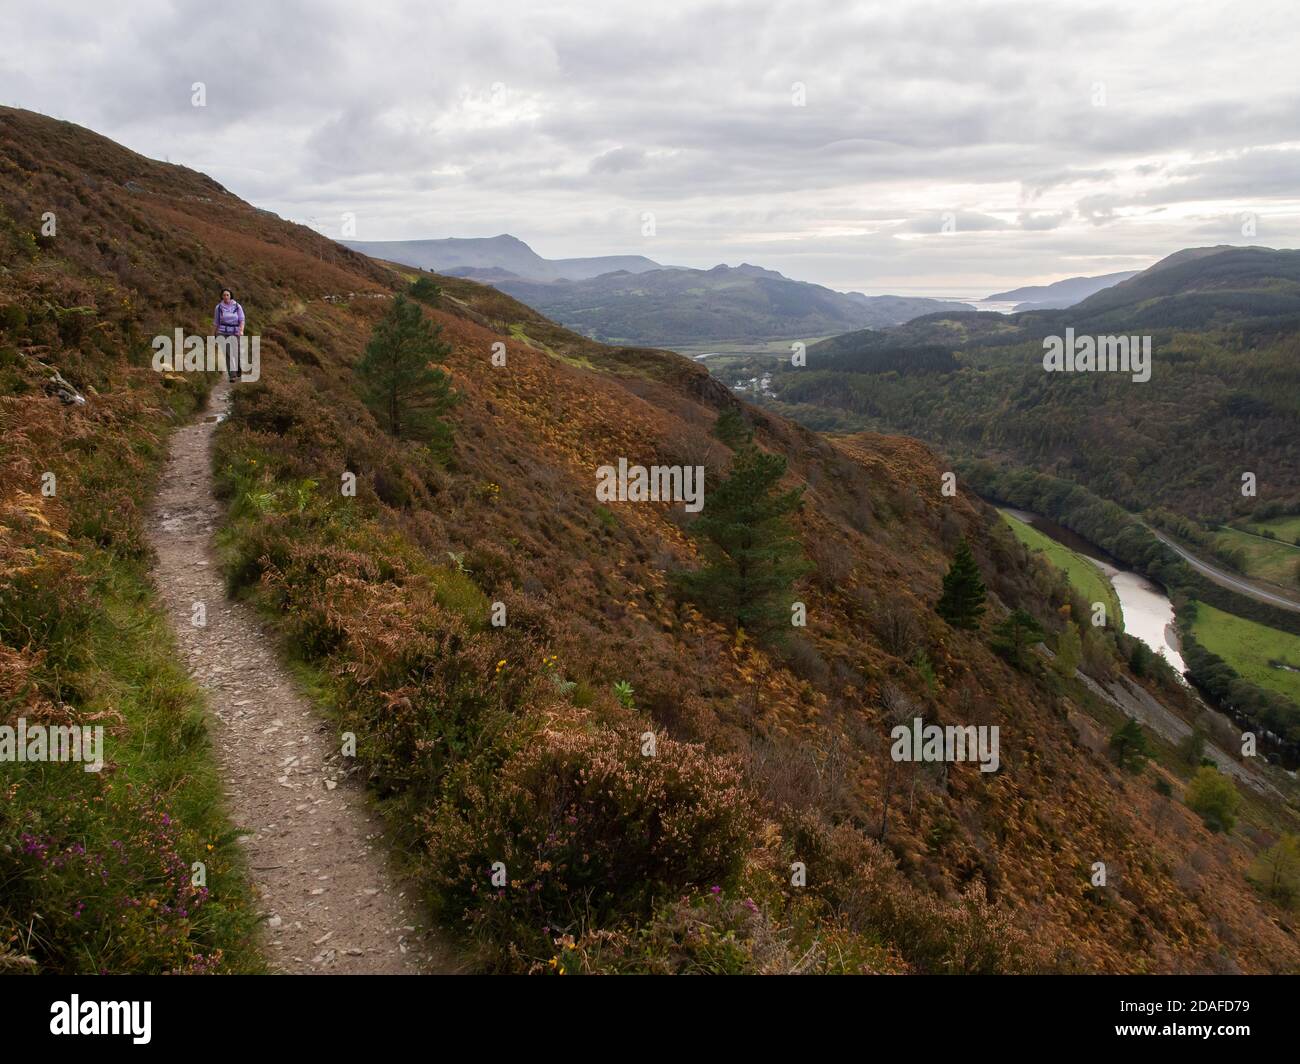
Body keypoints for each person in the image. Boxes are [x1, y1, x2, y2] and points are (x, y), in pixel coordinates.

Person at [213, 288, 245, 381]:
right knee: (228, 353)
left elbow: (242, 319)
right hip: (222, 332)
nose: (226, 297)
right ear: (221, 296)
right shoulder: (218, 307)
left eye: (227, 295)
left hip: (235, 332)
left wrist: (241, 330)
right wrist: (213, 334)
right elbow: (216, 322)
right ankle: (232, 375)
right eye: (224, 295)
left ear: (231, 296)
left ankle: (238, 369)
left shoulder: (237, 306)